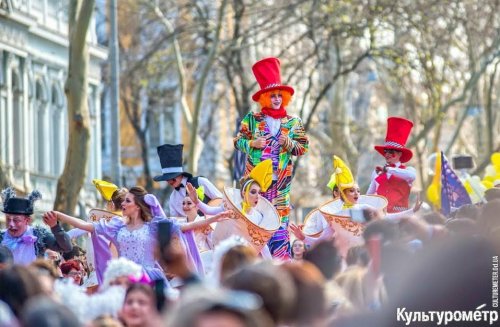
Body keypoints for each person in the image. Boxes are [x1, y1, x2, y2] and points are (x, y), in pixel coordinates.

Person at [234, 57, 309, 260]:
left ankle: (280, 263)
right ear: (265, 98)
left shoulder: (293, 122)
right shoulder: (252, 119)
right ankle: (253, 261)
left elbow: (303, 147)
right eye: (272, 95)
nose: (276, 99)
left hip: (281, 184)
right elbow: (237, 141)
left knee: (279, 223)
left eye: (279, 95)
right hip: (257, 183)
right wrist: (251, 144)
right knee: (255, 221)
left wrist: (289, 144)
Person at [44, 186, 196, 283]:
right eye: (122, 201)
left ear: (137, 206)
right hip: (123, 278)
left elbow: (185, 226)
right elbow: (86, 226)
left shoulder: (153, 226)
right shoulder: (116, 226)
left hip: (149, 278)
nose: (123, 204)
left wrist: (213, 217)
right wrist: (59, 216)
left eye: (127, 201)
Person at [187, 160, 275, 259]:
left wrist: (272, 267)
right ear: (243, 193)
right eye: (253, 192)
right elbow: (209, 211)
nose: (257, 196)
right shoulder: (231, 207)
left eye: (259, 193)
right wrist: (196, 201)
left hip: (241, 261)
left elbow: (262, 246)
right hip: (223, 256)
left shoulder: (258, 217)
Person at [0, 187, 72, 265]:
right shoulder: (1, 236)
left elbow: (67, 247)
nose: (11, 224)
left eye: (16, 220)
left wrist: (55, 226)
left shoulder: (39, 234)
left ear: (27, 220)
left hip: (32, 276)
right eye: (8, 219)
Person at [153, 143, 223, 217]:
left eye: (172, 177)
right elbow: (176, 223)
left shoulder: (200, 182)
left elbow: (220, 202)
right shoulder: (173, 198)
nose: (169, 181)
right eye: (167, 178)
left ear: (180, 174)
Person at [367, 117, 416, 213]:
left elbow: (411, 176)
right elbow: (369, 195)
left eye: (391, 152)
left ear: (400, 153)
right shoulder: (377, 172)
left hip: (401, 220)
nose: (387, 154)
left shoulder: (409, 170)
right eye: (386, 151)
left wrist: (388, 169)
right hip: (381, 218)